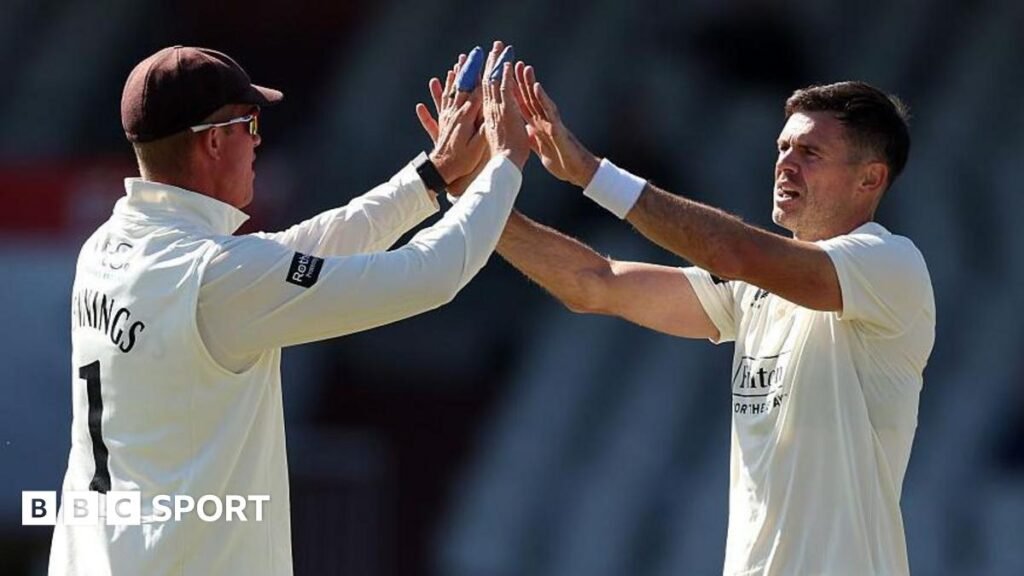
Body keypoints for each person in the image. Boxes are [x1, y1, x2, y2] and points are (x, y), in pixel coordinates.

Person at [49, 43, 529, 576]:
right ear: (213, 141)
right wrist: (505, 164)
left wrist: (432, 176)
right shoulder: (216, 277)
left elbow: (294, 254)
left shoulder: (106, 245)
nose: (258, 142)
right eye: (250, 123)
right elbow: (432, 273)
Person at [490, 62, 932, 575]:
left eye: (810, 153)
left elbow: (732, 252)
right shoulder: (755, 290)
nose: (786, 164)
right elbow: (597, 284)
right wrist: (477, 200)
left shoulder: (889, 264)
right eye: (783, 148)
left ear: (870, 178)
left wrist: (591, 173)